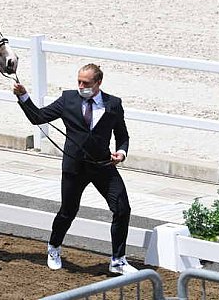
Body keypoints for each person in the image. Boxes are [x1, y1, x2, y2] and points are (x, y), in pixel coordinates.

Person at [12, 63, 138, 275]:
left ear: (98, 83)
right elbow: (38, 117)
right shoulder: (68, 99)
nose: (81, 86)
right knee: (68, 211)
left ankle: (118, 260)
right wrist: (24, 97)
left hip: (103, 166)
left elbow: (123, 135)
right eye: (79, 81)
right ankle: (53, 248)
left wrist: (121, 153)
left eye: (86, 83)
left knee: (122, 209)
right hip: (75, 166)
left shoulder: (113, 104)